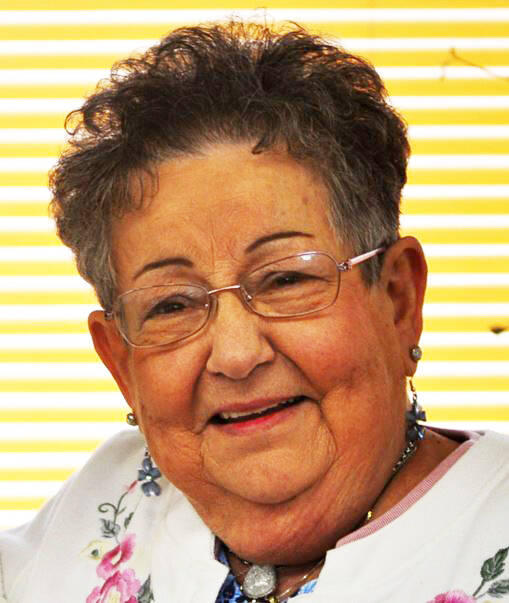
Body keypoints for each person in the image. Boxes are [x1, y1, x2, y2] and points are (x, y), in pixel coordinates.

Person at [1, 21, 508, 603]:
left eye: (286, 279)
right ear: (120, 363)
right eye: (171, 304)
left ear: (398, 300)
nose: (237, 355)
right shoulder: (94, 511)